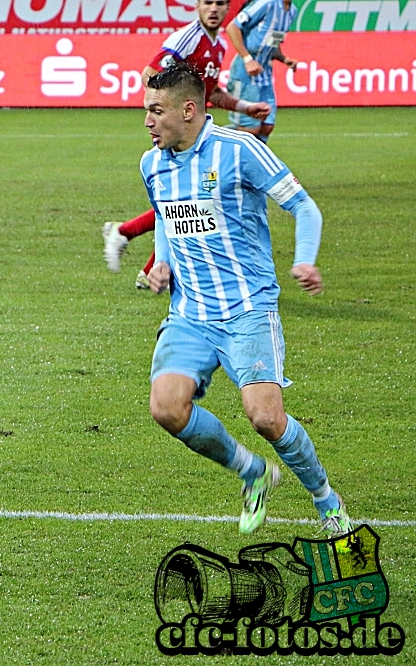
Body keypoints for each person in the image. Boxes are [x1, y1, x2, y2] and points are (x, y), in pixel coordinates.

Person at [139, 62, 351, 536]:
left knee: (266, 418)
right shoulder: (152, 163)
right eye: (146, 112)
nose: (148, 121)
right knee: (166, 408)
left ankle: (326, 500)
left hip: (247, 310)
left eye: (156, 111)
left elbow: (303, 205)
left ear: (188, 110)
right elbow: (165, 217)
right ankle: (252, 472)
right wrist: (162, 261)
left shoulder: (240, 150)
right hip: (190, 313)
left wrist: (305, 259)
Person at [102, 0, 270, 289]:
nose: (214, 9)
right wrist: (169, 114)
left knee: (188, 201)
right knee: (186, 200)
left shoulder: (216, 45)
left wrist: (245, 108)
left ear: (228, 8)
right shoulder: (187, 38)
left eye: (220, 4)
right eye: (208, 3)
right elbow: (149, 75)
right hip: (180, 131)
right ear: (197, 6)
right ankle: (138, 249)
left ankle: (140, 253)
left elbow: (213, 93)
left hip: (197, 130)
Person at [225, 0, 299, 143]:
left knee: (267, 126)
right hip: (245, 74)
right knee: (249, 129)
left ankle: (252, 163)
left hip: (264, 75)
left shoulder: (292, 11)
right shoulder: (266, 3)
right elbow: (232, 27)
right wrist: (248, 59)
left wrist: (283, 59)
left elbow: (273, 41)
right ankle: (208, 139)